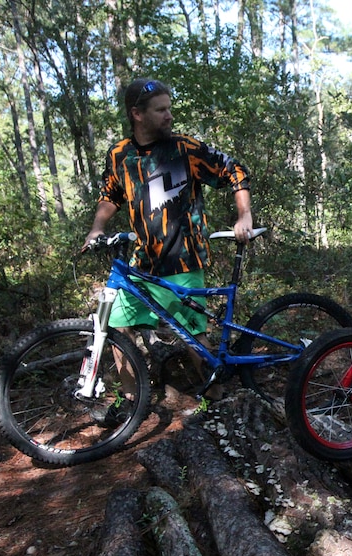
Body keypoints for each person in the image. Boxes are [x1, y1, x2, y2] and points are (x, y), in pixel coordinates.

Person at [84, 77, 253, 403]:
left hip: (183, 259)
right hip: (141, 264)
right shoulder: (119, 155)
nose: (169, 116)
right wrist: (97, 228)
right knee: (119, 329)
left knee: (193, 338)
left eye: (169, 109)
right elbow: (110, 195)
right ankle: (132, 405)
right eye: (161, 110)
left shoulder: (184, 149)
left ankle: (219, 400)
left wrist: (244, 215)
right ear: (137, 114)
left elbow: (234, 170)